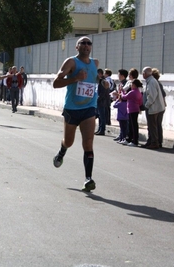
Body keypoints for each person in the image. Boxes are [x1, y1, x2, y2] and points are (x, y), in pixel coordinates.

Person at [52, 36, 99, 192]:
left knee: (88, 143)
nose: (86, 45)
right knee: (69, 141)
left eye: (88, 43)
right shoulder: (71, 62)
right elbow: (56, 83)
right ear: (77, 47)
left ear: (91, 47)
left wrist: (102, 81)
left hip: (89, 108)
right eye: (82, 43)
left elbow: (94, 80)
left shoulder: (95, 63)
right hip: (72, 109)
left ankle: (88, 178)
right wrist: (75, 78)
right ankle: (61, 152)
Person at [142, 66, 166, 149]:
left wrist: (147, 105)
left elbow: (152, 96)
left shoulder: (151, 82)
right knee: (154, 126)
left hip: (154, 108)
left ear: (145, 74)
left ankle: (155, 142)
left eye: (143, 73)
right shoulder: (151, 81)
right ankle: (152, 141)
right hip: (157, 107)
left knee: (153, 126)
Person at [121, 79, 143, 147]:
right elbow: (140, 101)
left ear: (134, 85)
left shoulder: (133, 92)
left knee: (133, 125)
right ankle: (130, 139)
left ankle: (134, 140)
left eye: (132, 84)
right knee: (132, 125)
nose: (131, 85)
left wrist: (122, 91)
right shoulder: (138, 92)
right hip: (135, 109)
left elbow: (124, 97)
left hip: (132, 109)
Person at [151, 68, 166, 148]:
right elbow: (163, 95)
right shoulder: (159, 84)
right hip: (161, 106)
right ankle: (159, 141)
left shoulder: (154, 84)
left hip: (157, 106)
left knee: (155, 124)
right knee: (158, 124)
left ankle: (156, 141)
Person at [95, 68, 109, 135]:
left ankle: (102, 130)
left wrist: (98, 99)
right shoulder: (99, 81)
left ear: (100, 74)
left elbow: (103, 93)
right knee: (100, 116)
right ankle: (100, 129)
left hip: (102, 102)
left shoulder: (103, 81)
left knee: (102, 116)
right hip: (99, 101)